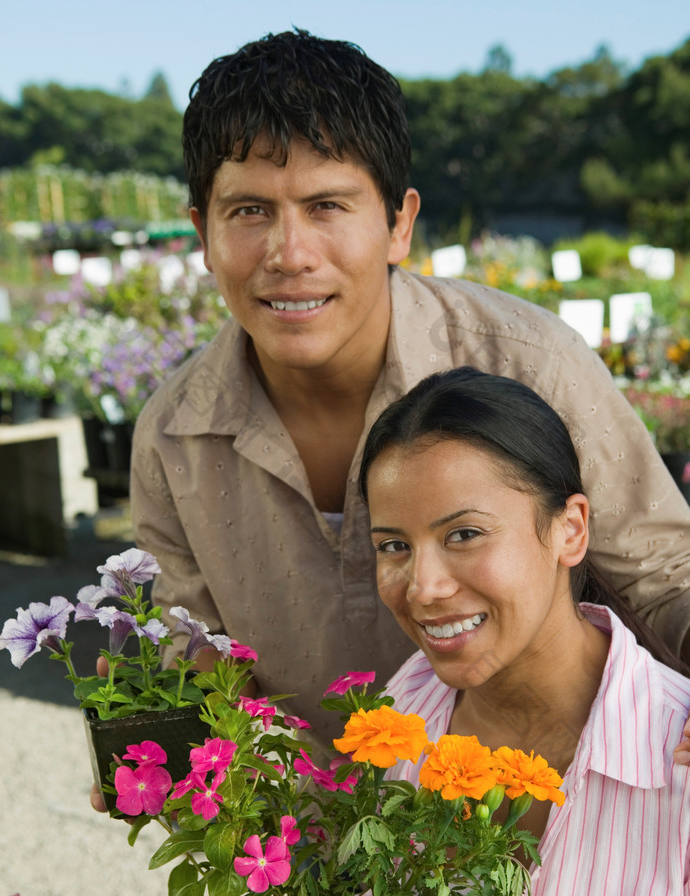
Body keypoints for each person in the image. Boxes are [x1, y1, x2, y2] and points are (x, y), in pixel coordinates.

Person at [131, 29, 690, 761]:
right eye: (248, 211)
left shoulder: (529, 364)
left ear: (399, 224)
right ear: (202, 234)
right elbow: (193, 664)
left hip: (549, 810)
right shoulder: (173, 437)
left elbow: (664, 574)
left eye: (327, 205)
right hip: (317, 845)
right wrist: (161, 753)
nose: (290, 254)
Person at [350, 366, 690, 896]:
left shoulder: (678, 752)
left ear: (570, 530)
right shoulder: (403, 713)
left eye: (465, 534)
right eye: (394, 545)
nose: (423, 586)